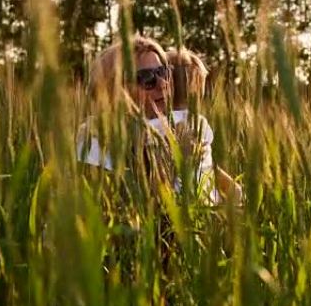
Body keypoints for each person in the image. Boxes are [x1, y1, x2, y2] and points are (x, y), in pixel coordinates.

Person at [77, 36, 223, 204]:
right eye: (147, 78)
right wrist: (176, 157)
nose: (163, 84)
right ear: (115, 89)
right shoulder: (94, 138)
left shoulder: (184, 125)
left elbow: (210, 175)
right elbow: (130, 209)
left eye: (163, 72)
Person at [166, 47, 243, 204]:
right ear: (197, 88)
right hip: (202, 200)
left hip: (179, 200)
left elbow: (206, 163)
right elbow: (208, 165)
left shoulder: (159, 121)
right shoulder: (198, 122)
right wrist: (233, 188)